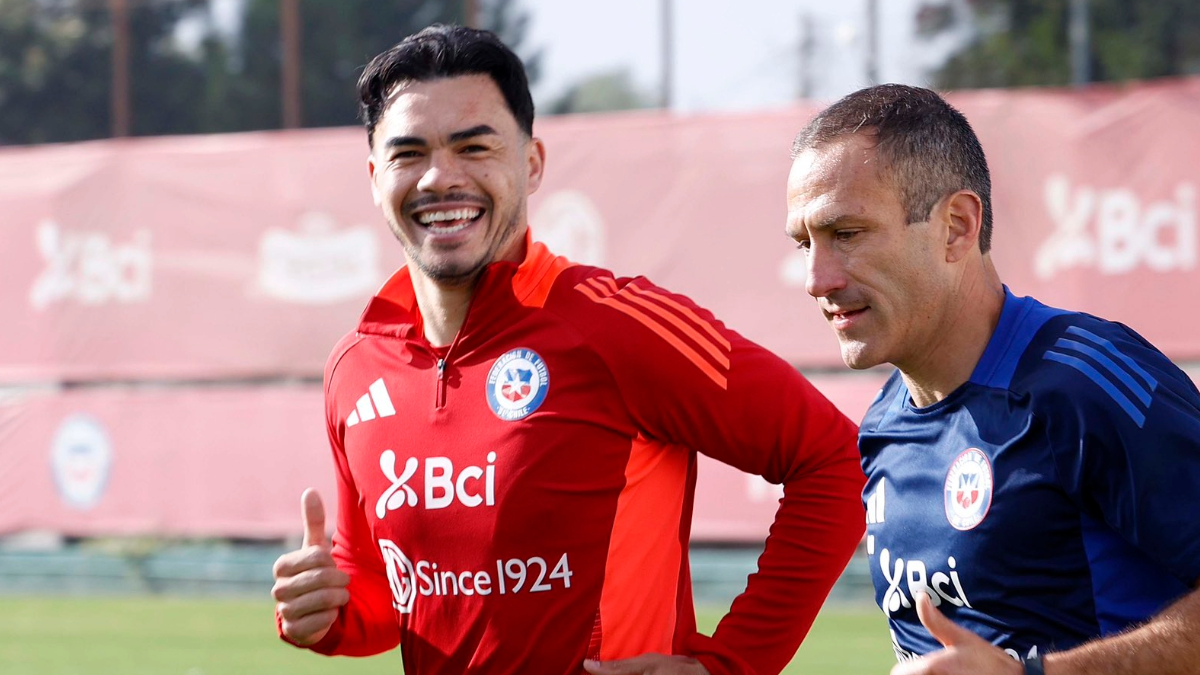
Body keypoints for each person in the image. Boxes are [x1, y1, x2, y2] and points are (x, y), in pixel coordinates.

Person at [270, 24, 866, 675]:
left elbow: (836, 459)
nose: (441, 176)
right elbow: (386, 596)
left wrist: (731, 663)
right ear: (375, 176)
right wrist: (327, 612)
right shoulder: (355, 369)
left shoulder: (614, 325)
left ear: (531, 164)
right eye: (409, 153)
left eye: (474, 146)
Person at [785, 82, 1200, 675]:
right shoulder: (883, 427)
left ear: (956, 226)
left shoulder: (1083, 384)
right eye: (805, 243)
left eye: (846, 235)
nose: (816, 279)